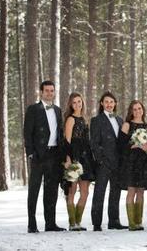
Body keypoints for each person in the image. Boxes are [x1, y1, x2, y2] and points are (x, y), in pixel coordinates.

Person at [24, 80, 66, 233]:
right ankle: (31, 224)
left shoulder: (57, 110)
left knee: (51, 191)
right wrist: (30, 153)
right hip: (38, 155)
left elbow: (59, 134)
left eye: (52, 90)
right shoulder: (33, 109)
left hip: (54, 155)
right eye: (47, 90)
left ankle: (50, 223)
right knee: (34, 190)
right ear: (41, 92)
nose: (49, 93)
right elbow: (27, 133)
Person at [90, 92, 127, 231]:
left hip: (117, 162)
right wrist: (101, 160)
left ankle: (114, 220)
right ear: (102, 104)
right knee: (99, 192)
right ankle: (97, 223)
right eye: (106, 102)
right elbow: (94, 143)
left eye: (112, 102)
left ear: (115, 104)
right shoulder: (96, 120)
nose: (109, 104)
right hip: (103, 163)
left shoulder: (119, 120)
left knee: (115, 192)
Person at [119, 100, 147, 231]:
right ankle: (131, 223)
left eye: (139, 108)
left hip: (144, 162)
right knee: (131, 191)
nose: (137, 111)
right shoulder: (127, 125)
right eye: (134, 109)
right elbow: (121, 145)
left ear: (143, 109)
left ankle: (138, 222)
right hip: (131, 161)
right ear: (131, 111)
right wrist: (135, 145)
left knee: (141, 191)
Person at [62, 92, 95, 231]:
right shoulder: (70, 119)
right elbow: (67, 141)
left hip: (86, 157)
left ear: (82, 102)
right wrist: (68, 159)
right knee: (72, 191)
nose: (77, 104)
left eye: (79, 101)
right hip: (74, 156)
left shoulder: (86, 118)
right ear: (70, 104)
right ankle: (72, 223)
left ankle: (78, 221)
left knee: (85, 192)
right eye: (74, 102)